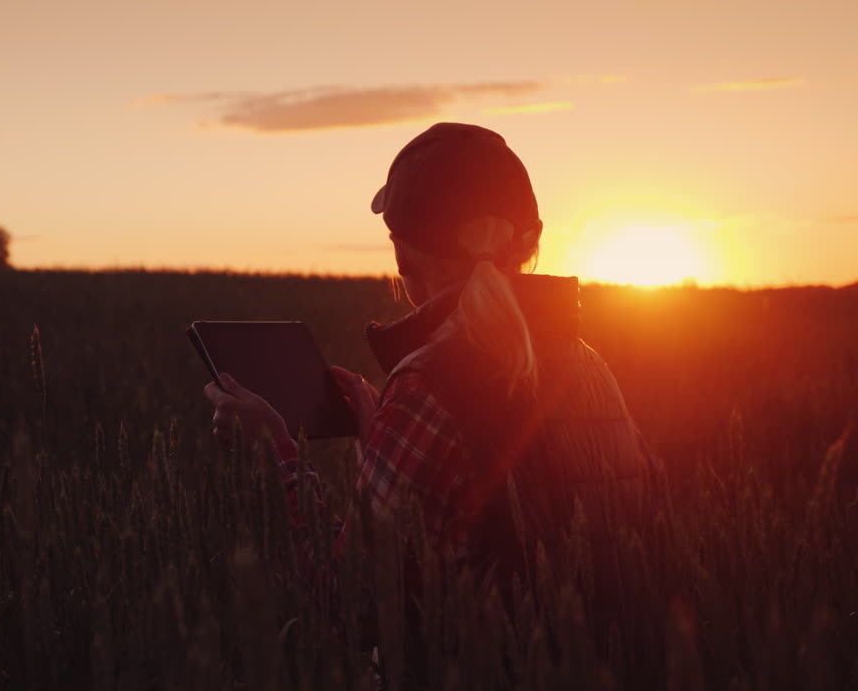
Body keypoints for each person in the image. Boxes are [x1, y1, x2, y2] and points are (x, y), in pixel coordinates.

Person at [203, 122, 654, 680]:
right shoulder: (588, 363)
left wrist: (275, 455)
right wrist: (381, 435)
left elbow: (353, 605)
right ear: (529, 242)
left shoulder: (427, 385)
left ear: (404, 254)